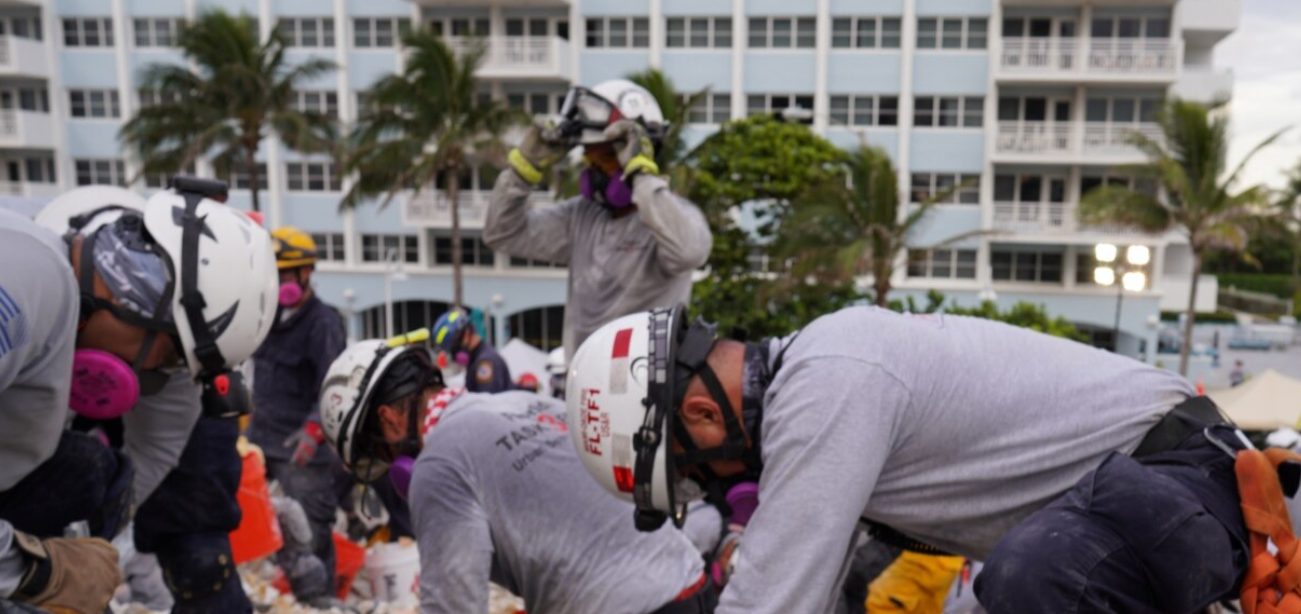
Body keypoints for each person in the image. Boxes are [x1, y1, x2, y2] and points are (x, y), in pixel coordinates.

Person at [567, 305, 1252, 613]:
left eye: (690, 472)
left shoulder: (825, 386)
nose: (708, 486)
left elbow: (770, 602)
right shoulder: (823, 371)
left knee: (1035, 572)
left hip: (1186, 482)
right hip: (1143, 510)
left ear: (701, 416)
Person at [318, 332, 720, 614]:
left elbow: (453, 605)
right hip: (691, 582)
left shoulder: (438, 465)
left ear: (388, 421)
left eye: (378, 457)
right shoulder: (524, 402)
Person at [27, 179, 279, 614]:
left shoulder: (180, 350)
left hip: (168, 392)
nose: (158, 370)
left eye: (173, 361)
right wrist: (33, 561)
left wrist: (92, 536)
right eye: (164, 355)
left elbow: (156, 447)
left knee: (199, 552)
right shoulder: (29, 299)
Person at [484, 80, 712, 364]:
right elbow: (501, 233)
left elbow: (689, 252)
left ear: (642, 152)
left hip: (649, 388)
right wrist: (520, 174)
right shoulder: (580, 216)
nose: (596, 172)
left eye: (607, 157)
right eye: (590, 159)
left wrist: (641, 176)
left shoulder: (671, 218)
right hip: (584, 386)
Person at [247, 227, 348, 605]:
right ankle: (282, 594)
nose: (280, 283)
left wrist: (313, 431)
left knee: (311, 532)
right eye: (275, 275)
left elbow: (334, 389)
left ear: (306, 273)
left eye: (287, 274)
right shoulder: (268, 317)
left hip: (302, 451)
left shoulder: (323, 324)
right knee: (261, 520)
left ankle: (319, 600)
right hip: (264, 440)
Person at [432, 309, 512, 393]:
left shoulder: (485, 362)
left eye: (455, 348)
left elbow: (487, 403)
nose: (454, 355)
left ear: (466, 333)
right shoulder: (477, 360)